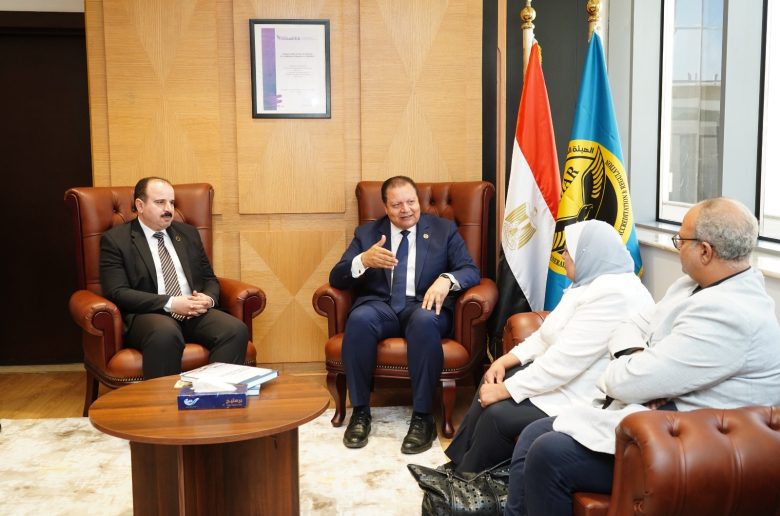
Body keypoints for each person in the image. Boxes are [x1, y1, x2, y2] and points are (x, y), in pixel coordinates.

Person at [505, 197, 780, 516]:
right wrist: (639, 356)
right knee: (535, 432)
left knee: (548, 454)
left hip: (696, 448)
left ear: (705, 251)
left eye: (681, 239)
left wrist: (634, 367)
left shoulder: (731, 315)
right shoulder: (690, 286)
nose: (678, 246)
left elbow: (622, 382)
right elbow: (631, 326)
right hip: (658, 419)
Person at [443, 220, 653, 473]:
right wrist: (505, 360)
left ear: (586, 255)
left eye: (568, 251)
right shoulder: (589, 282)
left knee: (498, 414)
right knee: (494, 377)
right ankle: (456, 465)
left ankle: (466, 480)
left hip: (583, 396)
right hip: (564, 380)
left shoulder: (615, 295)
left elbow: (565, 361)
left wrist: (506, 390)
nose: (562, 256)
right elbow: (546, 335)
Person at [329, 176, 480, 454]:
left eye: (411, 202)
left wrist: (447, 279)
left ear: (418, 201)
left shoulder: (443, 230)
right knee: (359, 320)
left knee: (423, 322)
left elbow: (470, 270)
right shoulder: (367, 234)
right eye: (397, 204)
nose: (406, 209)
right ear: (385, 207)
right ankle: (360, 412)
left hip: (423, 305)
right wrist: (363, 261)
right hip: (381, 306)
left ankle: (423, 417)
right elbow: (336, 278)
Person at [100, 177, 249, 378]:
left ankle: (209, 392)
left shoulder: (188, 234)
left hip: (193, 311)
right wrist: (171, 303)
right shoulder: (116, 240)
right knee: (165, 333)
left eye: (171, 202)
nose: (168, 209)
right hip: (149, 314)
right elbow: (117, 292)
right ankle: (166, 398)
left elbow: (209, 277)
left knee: (235, 330)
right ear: (140, 205)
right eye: (160, 202)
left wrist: (208, 298)